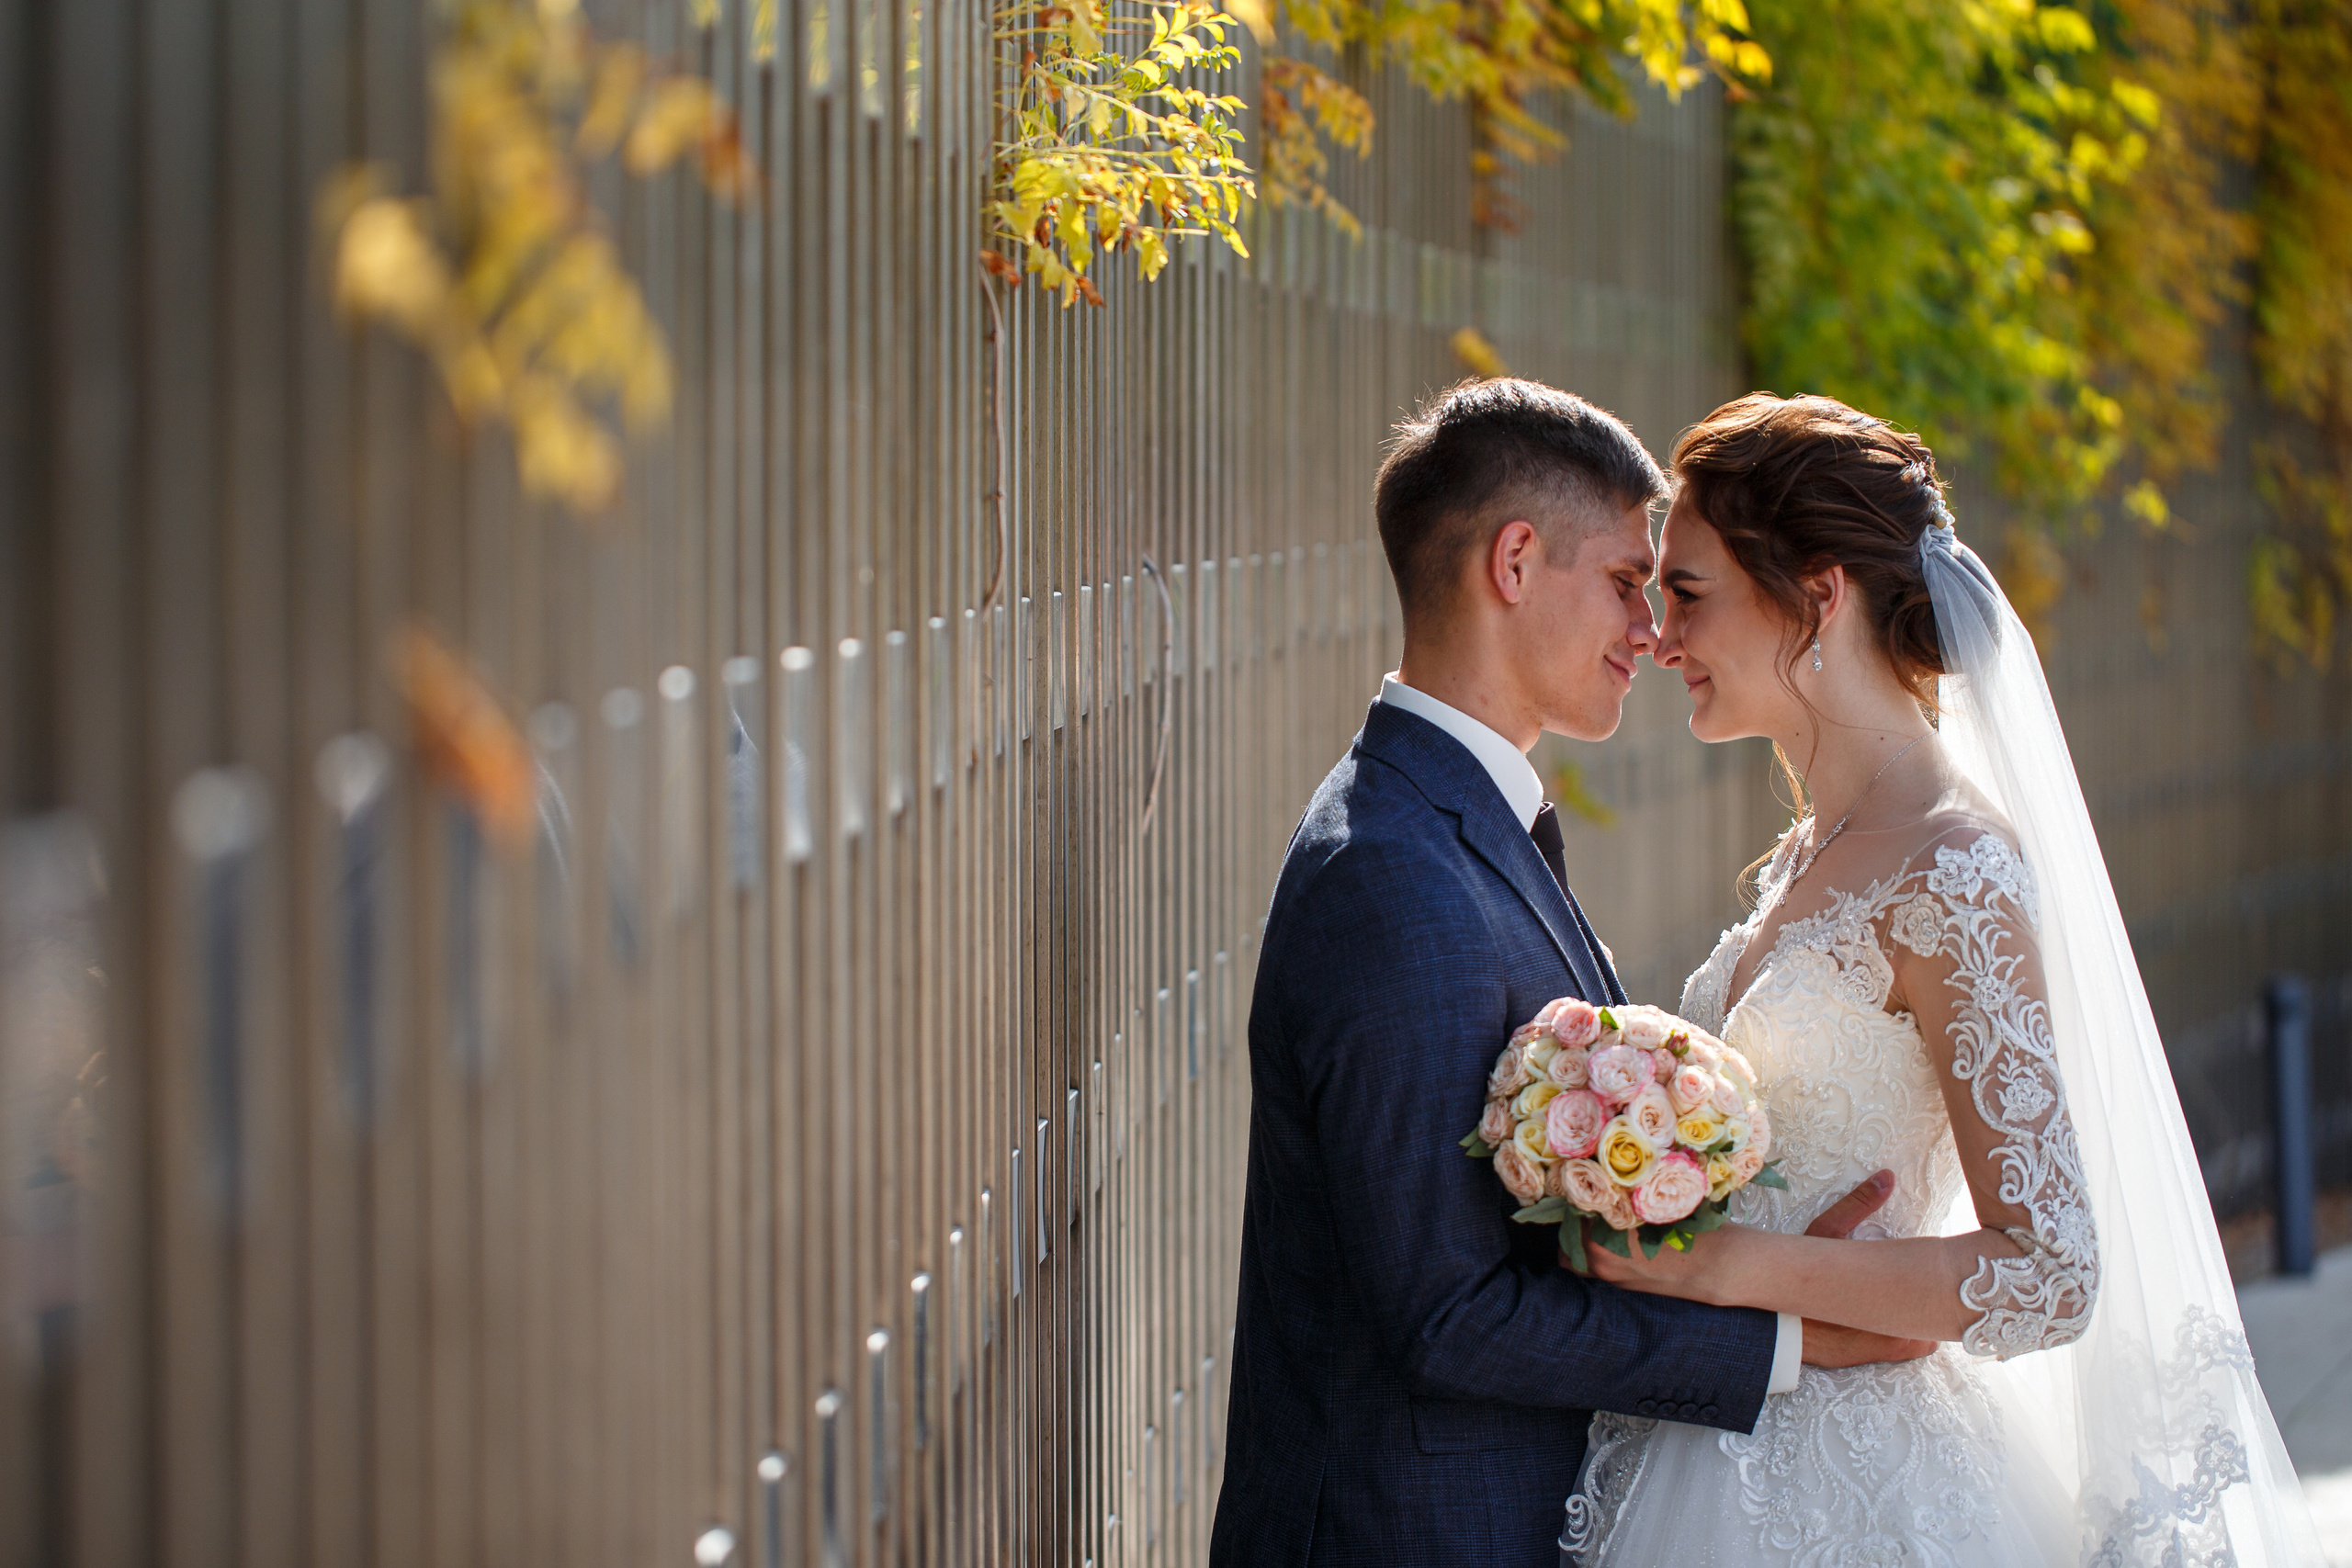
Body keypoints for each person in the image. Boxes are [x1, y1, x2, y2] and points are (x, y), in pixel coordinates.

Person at [1560, 391, 2323, 1564]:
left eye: (1690, 591)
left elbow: (2050, 1267)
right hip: (1720, 1434)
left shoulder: (1955, 870)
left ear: (1817, 596)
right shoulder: (1808, 849)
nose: (1659, 637)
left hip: (1864, 1486)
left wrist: (1730, 1265)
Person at [1207, 379, 1922, 1568]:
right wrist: (1792, 1338)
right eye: (1627, 582)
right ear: (1517, 560)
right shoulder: (1389, 873)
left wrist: (1777, 1248)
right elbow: (1447, 1314)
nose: (1652, 629)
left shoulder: (1455, 826)